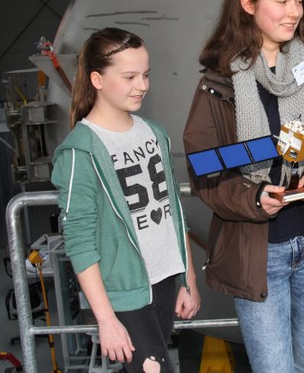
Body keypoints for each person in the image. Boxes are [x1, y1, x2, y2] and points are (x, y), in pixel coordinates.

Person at [183, 0, 304, 372]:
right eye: (282, 0)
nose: (294, 11)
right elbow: (205, 171)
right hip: (257, 253)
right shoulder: (218, 82)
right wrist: (255, 197)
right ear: (248, 3)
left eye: (299, 0)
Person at [51, 27, 200, 373]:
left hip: (164, 281)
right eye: (129, 76)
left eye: (146, 75)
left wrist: (187, 280)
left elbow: (174, 214)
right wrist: (105, 318)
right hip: (125, 292)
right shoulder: (79, 151)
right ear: (97, 80)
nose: (142, 86)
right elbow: (79, 242)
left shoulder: (154, 132)